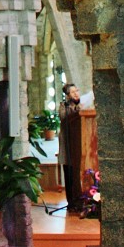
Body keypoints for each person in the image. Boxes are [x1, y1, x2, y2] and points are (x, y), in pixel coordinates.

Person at [58, 83, 80, 212]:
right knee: (69, 173)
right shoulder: (64, 106)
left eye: (77, 91)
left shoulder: (84, 106)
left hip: (80, 147)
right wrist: (75, 109)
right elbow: (63, 117)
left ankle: (82, 200)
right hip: (69, 147)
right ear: (67, 96)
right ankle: (71, 202)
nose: (76, 94)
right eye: (73, 92)